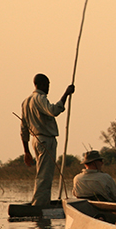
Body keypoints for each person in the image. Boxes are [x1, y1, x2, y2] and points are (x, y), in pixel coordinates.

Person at [20, 73, 75, 206]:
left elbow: (23, 129)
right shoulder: (40, 98)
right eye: (48, 85)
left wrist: (26, 151)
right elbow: (54, 110)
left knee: (41, 173)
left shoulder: (26, 102)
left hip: (35, 141)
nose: (49, 88)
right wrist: (66, 94)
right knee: (45, 175)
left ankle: (38, 201)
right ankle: (40, 205)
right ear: (42, 84)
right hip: (45, 140)